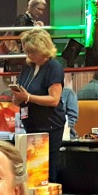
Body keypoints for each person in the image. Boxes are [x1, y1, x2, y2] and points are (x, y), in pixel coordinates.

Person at [10, 29, 66, 182]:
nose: (29, 55)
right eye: (27, 51)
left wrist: (28, 97)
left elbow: (54, 99)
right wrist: (18, 98)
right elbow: (22, 92)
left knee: (47, 167)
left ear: (43, 49)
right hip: (31, 124)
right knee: (33, 169)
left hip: (50, 125)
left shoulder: (54, 67)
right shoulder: (27, 67)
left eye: (33, 52)